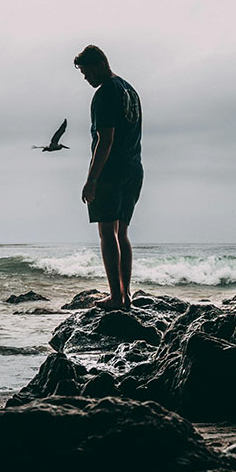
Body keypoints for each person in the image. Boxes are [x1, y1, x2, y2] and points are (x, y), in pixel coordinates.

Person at [74, 45, 143, 310]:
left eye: (87, 72)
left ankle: (116, 297)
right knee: (121, 232)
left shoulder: (104, 94)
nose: (86, 79)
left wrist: (92, 179)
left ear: (100, 64)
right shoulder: (130, 90)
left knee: (106, 232)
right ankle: (126, 296)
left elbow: (105, 139)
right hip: (133, 169)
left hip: (110, 172)